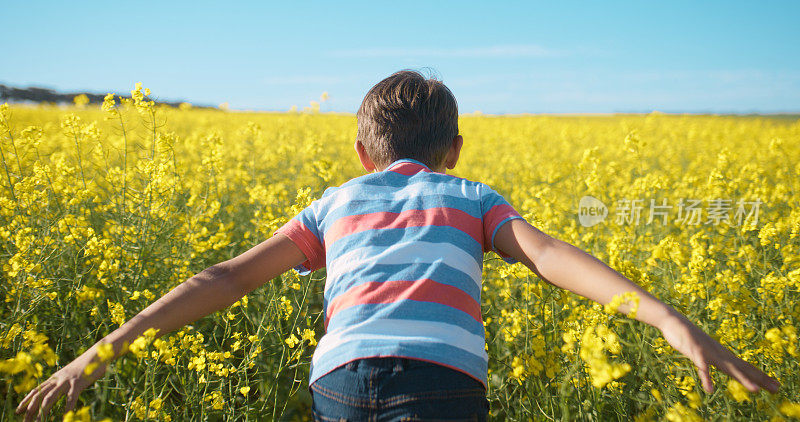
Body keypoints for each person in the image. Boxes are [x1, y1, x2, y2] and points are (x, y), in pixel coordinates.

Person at [16, 70, 780, 422]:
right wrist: (669, 320)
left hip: (340, 385)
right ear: (454, 149)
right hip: (440, 386)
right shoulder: (472, 197)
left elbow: (223, 279)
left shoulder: (334, 202)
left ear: (359, 150)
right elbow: (550, 259)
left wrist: (101, 351)